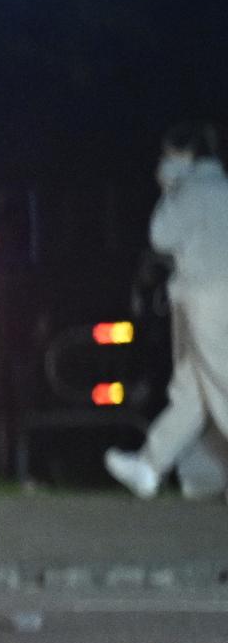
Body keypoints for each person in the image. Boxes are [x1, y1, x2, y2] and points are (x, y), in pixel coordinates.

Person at [110, 123, 228, 498]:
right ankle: (150, 464)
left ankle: (152, 465)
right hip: (207, 294)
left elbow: (160, 234)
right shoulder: (220, 186)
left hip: (205, 296)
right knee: (191, 391)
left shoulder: (194, 189)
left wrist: (170, 189)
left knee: (221, 383)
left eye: (167, 154)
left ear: (183, 154)